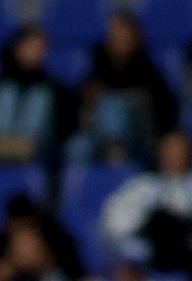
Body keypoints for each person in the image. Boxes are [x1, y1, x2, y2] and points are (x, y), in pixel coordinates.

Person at [74, 10, 178, 166]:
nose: (117, 37)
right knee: (78, 147)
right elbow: (78, 102)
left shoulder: (149, 72)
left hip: (137, 140)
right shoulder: (96, 69)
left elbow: (164, 115)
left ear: (135, 37)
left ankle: (115, 157)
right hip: (98, 134)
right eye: (113, 33)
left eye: (122, 32)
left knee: (112, 103)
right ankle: (78, 188)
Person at [0, 25, 70, 166]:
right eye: (31, 46)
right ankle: (7, 145)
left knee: (40, 95)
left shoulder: (55, 89)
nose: (37, 51)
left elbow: (62, 128)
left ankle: (20, 146)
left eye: (41, 47)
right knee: (6, 93)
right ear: (17, 48)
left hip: (36, 152)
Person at [100, 132, 192, 273]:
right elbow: (115, 226)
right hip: (151, 258)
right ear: (160, 155)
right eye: (170, 152)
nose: (175, 157)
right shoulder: (144, 186)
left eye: (180, 152)